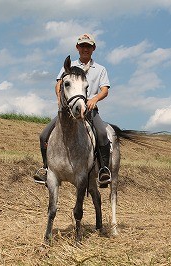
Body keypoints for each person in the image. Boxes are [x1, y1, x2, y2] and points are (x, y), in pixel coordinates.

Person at [33, 33, 111, 188]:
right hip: (69, 111)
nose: (85, 49)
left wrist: (94, 99)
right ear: (77, 47)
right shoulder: (68, 66)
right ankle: (46, 168)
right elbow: (59, 83)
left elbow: (104, 90)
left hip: (90, 110)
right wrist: (58, 97)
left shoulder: (100, 69)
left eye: (88, 46)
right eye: (82, 46)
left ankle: (103, 169)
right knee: (43, 136)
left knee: (102, 133)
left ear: (93, 48)